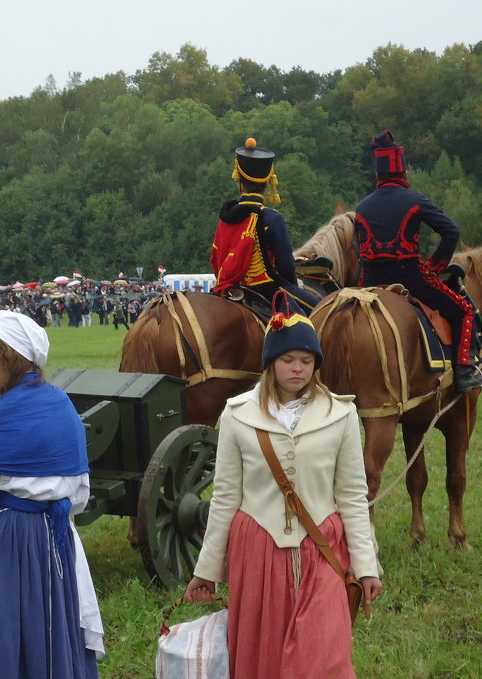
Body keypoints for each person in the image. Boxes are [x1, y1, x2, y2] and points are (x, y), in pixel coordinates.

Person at [184, 290, 381, 678]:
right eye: (288, 360)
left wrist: (366, 564)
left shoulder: (340, 414)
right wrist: (206, 569)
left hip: (322, 547)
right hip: (257, 548)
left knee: (324, 650)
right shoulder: (238, 414)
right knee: (264, 655)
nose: (297, 369)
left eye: (306, 361)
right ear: (271, 363)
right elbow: (225, 496)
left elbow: (353, 496)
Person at [0, 310, 104, 678]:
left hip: (10, 543)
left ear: (12, 358)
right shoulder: (62, 404)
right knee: (57, 626)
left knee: (11, 630)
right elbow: (80, 495)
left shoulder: (2, 413)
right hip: (60, 540)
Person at [353, 130, 482, 393]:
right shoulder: (414, 200)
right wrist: (435, 266)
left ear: (378, 174)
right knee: (463, 311)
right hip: (411, 280)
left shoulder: (362, 207)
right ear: (403, 172)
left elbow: (359, 249)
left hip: (369, 283)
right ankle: (463, 371)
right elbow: (451, 232)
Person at [210, 137, 319, 315]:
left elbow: (215, 259)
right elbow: (286, 265)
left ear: (240, 182)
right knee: (323, 310)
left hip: (229, 289)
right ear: (268, 184)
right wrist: (291, 285)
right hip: (266, 288)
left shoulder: (226, 218)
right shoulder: (272, 218)